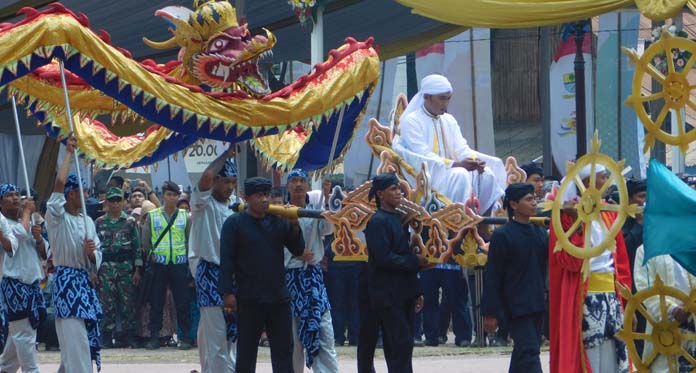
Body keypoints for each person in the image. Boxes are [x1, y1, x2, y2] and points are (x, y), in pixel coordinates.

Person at [549, 164, 632, 373]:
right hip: (583, 296)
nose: (607, 183)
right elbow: (571, 261)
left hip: (612, 296)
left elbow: (620, 261)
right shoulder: (565, 215)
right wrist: (577, 219)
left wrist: (626, 299)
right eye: (603, 178)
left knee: (616, 352)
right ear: (588, 183)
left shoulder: (610, 213)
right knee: (590, 354)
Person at [220, 177, 305, 372]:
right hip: (249, 298)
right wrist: (227, 293)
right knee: (247, 351)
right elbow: (227, 260)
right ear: (246, 198)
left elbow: (298, 250)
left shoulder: (278, 222)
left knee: (284, 350)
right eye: (259, 195)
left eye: (266, 195)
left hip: (278, 297)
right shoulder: (234, 224)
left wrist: (294, 225)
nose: (264, 199)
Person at [393, 74, 506, 215]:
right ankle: (458, 224)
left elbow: (461, 148)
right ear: (427, 97)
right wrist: (456, 165)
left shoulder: (449, 119)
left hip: (452, 168)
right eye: (441, 99)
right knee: (461, 175)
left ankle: (483, 223)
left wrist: (474, 161)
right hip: (429, 173)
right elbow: (422, 155)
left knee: (487, 173)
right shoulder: (411, 121)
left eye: (448, 99)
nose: (445, 104)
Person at [45, 137, 103, 373]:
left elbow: (97, 255)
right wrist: (68, 152)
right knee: (76, 346)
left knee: (78, 347)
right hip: (67, 284)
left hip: (84, 285)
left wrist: (92, 256)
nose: (85, 198)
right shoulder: (56, 218)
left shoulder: (87, 220)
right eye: (81, 193)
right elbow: (59, 183)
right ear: (70, 196)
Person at [363, 172, 430, 373]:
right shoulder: (377, 222)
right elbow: (384, 258)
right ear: (381, 194)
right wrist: (414, 262)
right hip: (387, 294)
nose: (399, 192)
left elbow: (404, 252)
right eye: (393, 189)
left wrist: (417, 290)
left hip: (404, 291)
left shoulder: (398, 219)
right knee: (400, 343)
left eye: (399, 188)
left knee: (402, 346)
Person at [482, 183, 548, 372]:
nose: (534, 203)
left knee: (523, 353)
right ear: (513, 204)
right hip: (515, 305)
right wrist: (490, 313)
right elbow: (493, 276)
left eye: (535, 198)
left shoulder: (540, 234)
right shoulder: (503, 236)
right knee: (529, 352)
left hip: (537, 302)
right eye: (529, 199)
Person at [189, 147, 238, 373]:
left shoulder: (236, 207)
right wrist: (226, 155)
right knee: (216, 340)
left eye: (233, 182)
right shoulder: (202, 203)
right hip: (210, 274)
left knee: (232, 339)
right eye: (225, 181)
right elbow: (206, 177)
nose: (229, 187)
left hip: (235, 276)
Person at [284, 169, 338, 372]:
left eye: (302, 180)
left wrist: (326, 198)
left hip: (313, 277)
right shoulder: (279, 211)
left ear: (308, 185)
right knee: (292, 339)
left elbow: (328, 230)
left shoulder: (316, 207)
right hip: (290, 277)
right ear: (288, 186)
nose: (298, 184)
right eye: (294, 181)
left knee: (323, 331)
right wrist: (297, 252)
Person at [142, 181, 193, 350]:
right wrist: (152, 255)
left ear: (179, 197)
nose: (172, 198)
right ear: (163, 196)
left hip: (179, 264)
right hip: (159, 264)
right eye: (169, 194)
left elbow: (189, 240)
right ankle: (154, 337)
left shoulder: (185, 217)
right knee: (156, 301)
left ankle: (185, 337)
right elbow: (146, 240)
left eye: (175, 195)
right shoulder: (153, 215)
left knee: (182, 302)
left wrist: (185, 258)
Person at [0, 184, 45, 372]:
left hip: (32, 285)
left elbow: (44, 253)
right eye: (9, 195)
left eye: (17, 194)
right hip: (15, 286)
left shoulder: (27, 222)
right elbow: (12, 244)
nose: (16, 198)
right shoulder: (2, 221)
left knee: (16, 341)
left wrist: (39, 239)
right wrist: (26, 212)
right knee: (24, 338)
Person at [634, 244, 696, 372]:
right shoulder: (645, 251)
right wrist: (671, 310)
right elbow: (645, 289)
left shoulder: (691, 245)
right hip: (663, 330)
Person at [95, 187, 142, 348]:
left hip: (125, 267)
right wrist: (93, 271)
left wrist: (137, 270)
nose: (115, 204)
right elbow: (94, 248)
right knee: (106, 303)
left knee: (128, 302)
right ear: (106, 202)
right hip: (106, 268)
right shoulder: (99, 222)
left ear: (123, 202)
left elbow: (137, 246)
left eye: (118, 200)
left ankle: (129, 336)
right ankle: (106, 336)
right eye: (112, 200)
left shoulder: (130, 222)